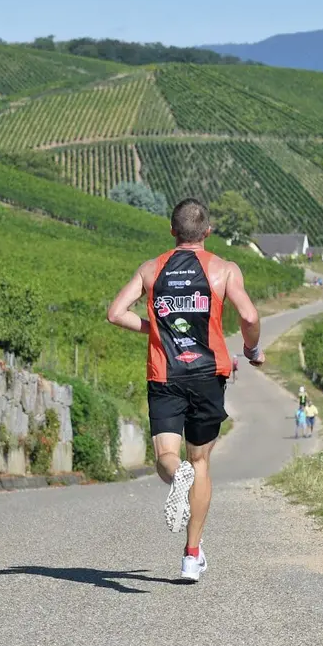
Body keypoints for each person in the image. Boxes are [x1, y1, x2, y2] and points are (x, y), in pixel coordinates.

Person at [107, 198, 263, 582]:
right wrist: (251, 349)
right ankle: (191, 556)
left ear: (172, 230)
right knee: (202, 463)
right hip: (208, 376)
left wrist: (154, 330)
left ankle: (175, 475)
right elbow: (249, 315)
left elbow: (115, 313)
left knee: (166, 456)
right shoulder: (224, 271)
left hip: (165, 374)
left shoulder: (150, 270)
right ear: (207, 232)